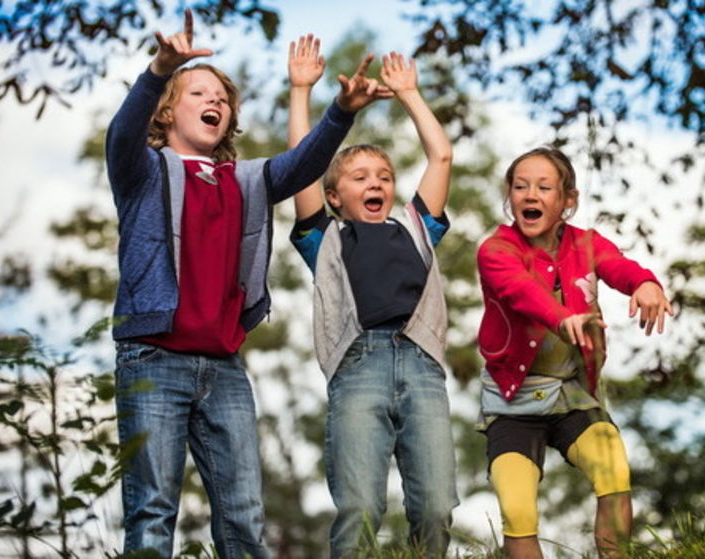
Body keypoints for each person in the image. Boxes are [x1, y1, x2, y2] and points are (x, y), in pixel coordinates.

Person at [105, 12, 374, 558]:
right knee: (153, 511)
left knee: (244, 518)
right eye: (198, 91)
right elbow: (122, 133)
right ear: (167, 110)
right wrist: (160, 69)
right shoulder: (143, 171)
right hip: (153, 359)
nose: (216, 102)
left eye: (223, 99)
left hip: (224, 369)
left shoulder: (245, 180)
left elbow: (302, 166)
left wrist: (340, 111)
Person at [287, 36, 459, 558]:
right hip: (357, 366)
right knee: (361, 506)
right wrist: (301, 92)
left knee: (434, 507)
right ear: (336, 196)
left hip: (421, 362)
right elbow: (301, 162)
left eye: (383, 176)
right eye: (360, 177)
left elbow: (442, 155)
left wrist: (409, 94)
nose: (375, 182)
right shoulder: (326, 239)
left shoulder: (415, 226)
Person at [476, 147, 674, 559]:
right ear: (510, 196)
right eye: (521, 186)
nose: (531, 195)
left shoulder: (585, 243)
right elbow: (519, 289)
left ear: (568, 201)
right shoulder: (496, 249)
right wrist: (560, 315)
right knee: (517, 507)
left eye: (544, 187)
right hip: (514, 403)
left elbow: (617, 265)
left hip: (572, 397)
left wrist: (645, 283)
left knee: (613, 468)